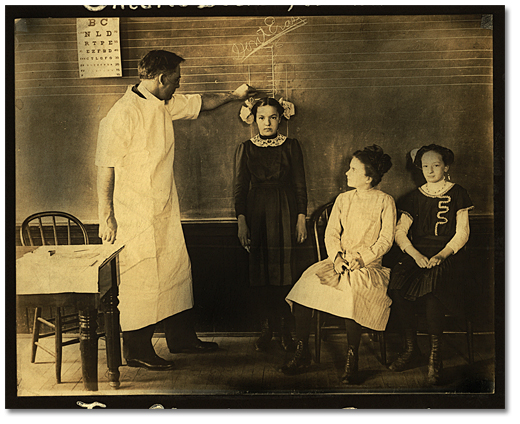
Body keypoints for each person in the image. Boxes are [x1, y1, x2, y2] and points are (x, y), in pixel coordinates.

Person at [95, 50, 256, 370]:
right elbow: (104, 168)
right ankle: (137, 350)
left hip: (165, 208)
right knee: (140, 280)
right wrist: (106, 216)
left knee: (176, 270)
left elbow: (201, 102)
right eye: (176, 81)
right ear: (160, 79)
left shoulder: (164, 103)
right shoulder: (121, 115)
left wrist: (234, 96)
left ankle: (181, 339)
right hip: (134, 214)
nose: (179, 86)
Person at [283, 145, 395, 384]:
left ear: (368, 177)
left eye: (353, 169)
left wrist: (362, 258)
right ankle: (302, 351)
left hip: (368, 267)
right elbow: (331, 233)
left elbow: (386, 240)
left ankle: (351, 357)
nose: (347, 173)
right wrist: (337, 258)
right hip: (339, 262)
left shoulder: (385, 201)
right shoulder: (343, 199)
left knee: (353, 293)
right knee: (306, 284)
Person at [387, 144, 473, 385]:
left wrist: (441, 256)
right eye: (425, 166)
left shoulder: (458, 193)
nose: (430, 170)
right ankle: (411, 348)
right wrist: (415, 255)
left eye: (436, 165)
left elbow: (462, 233)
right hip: (419, 254)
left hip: (448, 255)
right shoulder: (414, 197)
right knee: (398, 283)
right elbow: (400, 232)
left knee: (433, 288)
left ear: (446, 167)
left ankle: (436, 356)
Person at [234, 97, 307, 352]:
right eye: (262, 117)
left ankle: (286, 330)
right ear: (253, 119)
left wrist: (301, 218)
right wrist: (242, 222)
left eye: (272, 117)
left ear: (280, 118)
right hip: (256, 212)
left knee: (284, 272)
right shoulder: (246, 148)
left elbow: (300, 184)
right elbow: (240, 188)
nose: (267, 122)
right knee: (261, 273)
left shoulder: (291, 146)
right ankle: (267, 328)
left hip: (285, 210)